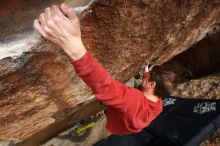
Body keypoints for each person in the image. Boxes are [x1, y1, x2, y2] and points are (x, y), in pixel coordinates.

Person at [33, 3, 163, 135]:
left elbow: (106, 87)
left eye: (146, 79)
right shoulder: (158, 104)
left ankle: (108, 111)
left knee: (114, 95)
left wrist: (75, 49)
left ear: (152, 84)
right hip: (126, 120)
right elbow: (143, 87)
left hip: (118, 121)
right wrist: (146, 71)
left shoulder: (132, 101)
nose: (144, 78)